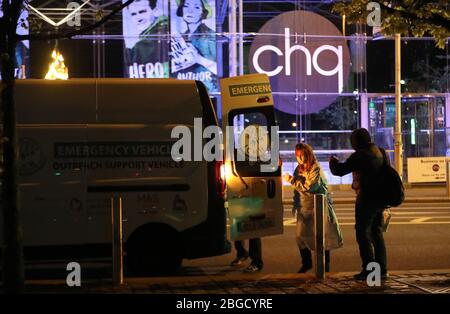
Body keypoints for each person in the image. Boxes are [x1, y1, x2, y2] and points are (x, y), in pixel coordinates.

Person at [329, 128, 389, 280]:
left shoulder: (361, 155)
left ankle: (370, 271)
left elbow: (340, 170)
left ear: (357, 141)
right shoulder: (380, 151)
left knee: (362, 233)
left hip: (366, 198)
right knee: (376, 232)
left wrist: (333, 162)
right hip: (381, 198)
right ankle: (381, 270)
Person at [284, 143, 343, 273]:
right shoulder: (299, 169)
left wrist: (291, 180)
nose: (299, 157)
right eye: (297, 155)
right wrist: (295, 203)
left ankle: (325, 265)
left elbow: (310, 187)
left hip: (319, 206)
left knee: (323, 237)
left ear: (308, 154)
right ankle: (307, 262)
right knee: (300, 236)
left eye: (302, 154)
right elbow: (297, 190)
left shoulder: (315, 168)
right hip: (305, 207)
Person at [172, 0, 217, 91]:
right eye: (186, 6)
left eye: (196, 7)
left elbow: (221, 68)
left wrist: (198, 59)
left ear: (202, 12)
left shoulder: (211, 36)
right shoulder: (180, 37)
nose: (190, 11)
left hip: (207, 89)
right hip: (184, 90)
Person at [125, 0, 169, 77]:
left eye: (142, 12)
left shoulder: (161, 30)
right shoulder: (146, 34)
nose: (138, 18)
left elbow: (142, 50)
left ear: (154, 10)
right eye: (133, 14)